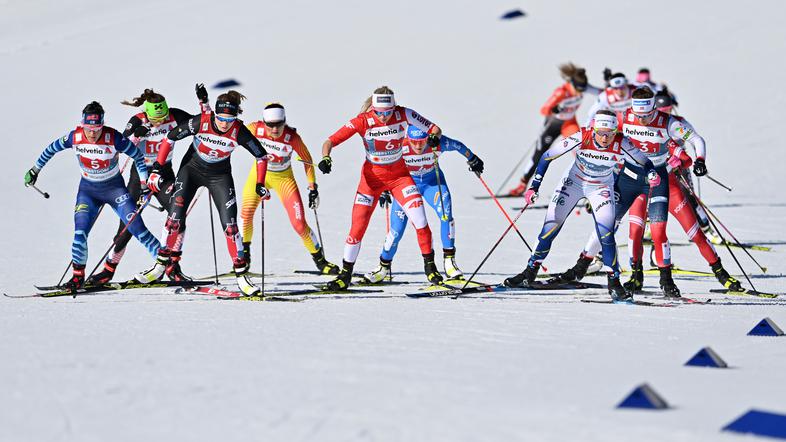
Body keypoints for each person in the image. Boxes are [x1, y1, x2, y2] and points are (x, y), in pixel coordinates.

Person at [560, 87, 708, 297]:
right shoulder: (625, 117)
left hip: (658, 178)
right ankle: (581, 266)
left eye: (647, 115)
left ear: (654, 108)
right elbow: (595, 129)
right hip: (628, 177)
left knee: (658, 230)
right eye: (639, 115)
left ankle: (666, 279)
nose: (642, 120)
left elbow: (696, 140)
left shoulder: (670, 122)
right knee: (608, 222)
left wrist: (700, 160)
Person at [504, 110, 658, 301]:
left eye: (609, 134)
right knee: (551, 226)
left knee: (606, 233)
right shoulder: (583, 136)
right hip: (573, 183)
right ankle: (529, 272)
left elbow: (645, 161)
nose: (604, 138)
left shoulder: (621, 142)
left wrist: (651, 173)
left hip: (600, 188)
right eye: (601, 133)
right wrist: (534, 186)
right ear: (594, 130)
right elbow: (547, 156)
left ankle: (614, 282)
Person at [134, 90, 271, 296]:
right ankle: (160, 266)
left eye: (230, 119)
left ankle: (241, 275)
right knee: (174, 219)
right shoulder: (201, 122)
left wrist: (260, 183)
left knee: (231, 227)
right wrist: (157, 168)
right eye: (221, 118)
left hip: (219, 176)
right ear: (215, 114)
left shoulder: (239, 131)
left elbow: (261, 156)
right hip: (192, 170)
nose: (225, 123)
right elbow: (170, 138)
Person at [24, 101, 161, 291]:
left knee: (138, 229)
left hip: (115, 191)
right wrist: (34, 170)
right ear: (82, 124)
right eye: (89, 128)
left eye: (97, 128)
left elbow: (138, 156)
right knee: (80, 233)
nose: (92, 133)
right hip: (88, 192)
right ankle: (77, 277)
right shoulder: (75, 137)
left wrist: (145, 184)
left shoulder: (114, 137)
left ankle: (168, 265)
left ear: (102, 125)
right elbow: (51, 149)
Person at [318, 86, 443, 290]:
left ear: (394, 107)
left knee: (420, 219)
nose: (384, 117)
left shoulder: (404, 113)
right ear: (372, 109)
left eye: (388, 112)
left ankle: (431, 270)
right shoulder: (362, 121)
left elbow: (435, 128)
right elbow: (329, 141)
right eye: (379, 113)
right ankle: (345, 275)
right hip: (370, 181)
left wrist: (434, 137)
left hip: (400, 178)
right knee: (357, 227)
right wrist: (325, 158)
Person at [88, 86, 206, 285]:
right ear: (147, 113)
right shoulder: (137, 120)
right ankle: (108, 270)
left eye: (163, 117)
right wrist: (136, 135)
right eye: (155, 119)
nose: (160, 122)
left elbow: (204, 124)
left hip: (164, 175)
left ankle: (173, 267)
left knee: (178, 216)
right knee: (127, 226)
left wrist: (204, 104)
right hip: (139, 177)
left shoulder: (174, 116)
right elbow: (120, 147)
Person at [364, 126, 484, 283]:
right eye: (414, 142)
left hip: (432, 183)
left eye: (421, 141)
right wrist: (384, 187)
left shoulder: (436, 143)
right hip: (406, 186)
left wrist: (472, 158)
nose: (418, 146)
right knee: (397, 230)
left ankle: (449, 262)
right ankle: (383, 267)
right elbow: (382, 163)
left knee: (446, 215)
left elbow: (458, 146)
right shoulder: (400, 144)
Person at [239, 103, 338, 274]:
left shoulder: (292, 137)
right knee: (246, 213)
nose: (275, 128)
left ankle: (320, 261)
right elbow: (234, 135)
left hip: (284, 178)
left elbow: (307, 160)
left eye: (279, 123)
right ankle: (244, 257)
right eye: (270, 124)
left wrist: (312, 187)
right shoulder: (256, 129)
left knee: (299, 223)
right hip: (258, 176)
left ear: (284, 121)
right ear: (264, 122)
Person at [508, 63, 600, 196]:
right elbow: (544, 109)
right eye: (578, 89)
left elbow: (604, 93)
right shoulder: (562, 92)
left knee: (582, 150)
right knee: (539, 155)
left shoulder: (583, 87)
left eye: (582, 90)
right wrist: (553, 109)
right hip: (553, 125)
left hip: (569, 124)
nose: (580, 92)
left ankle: (588, 185)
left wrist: (609, 81)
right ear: (572, 84)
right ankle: (522, 185)